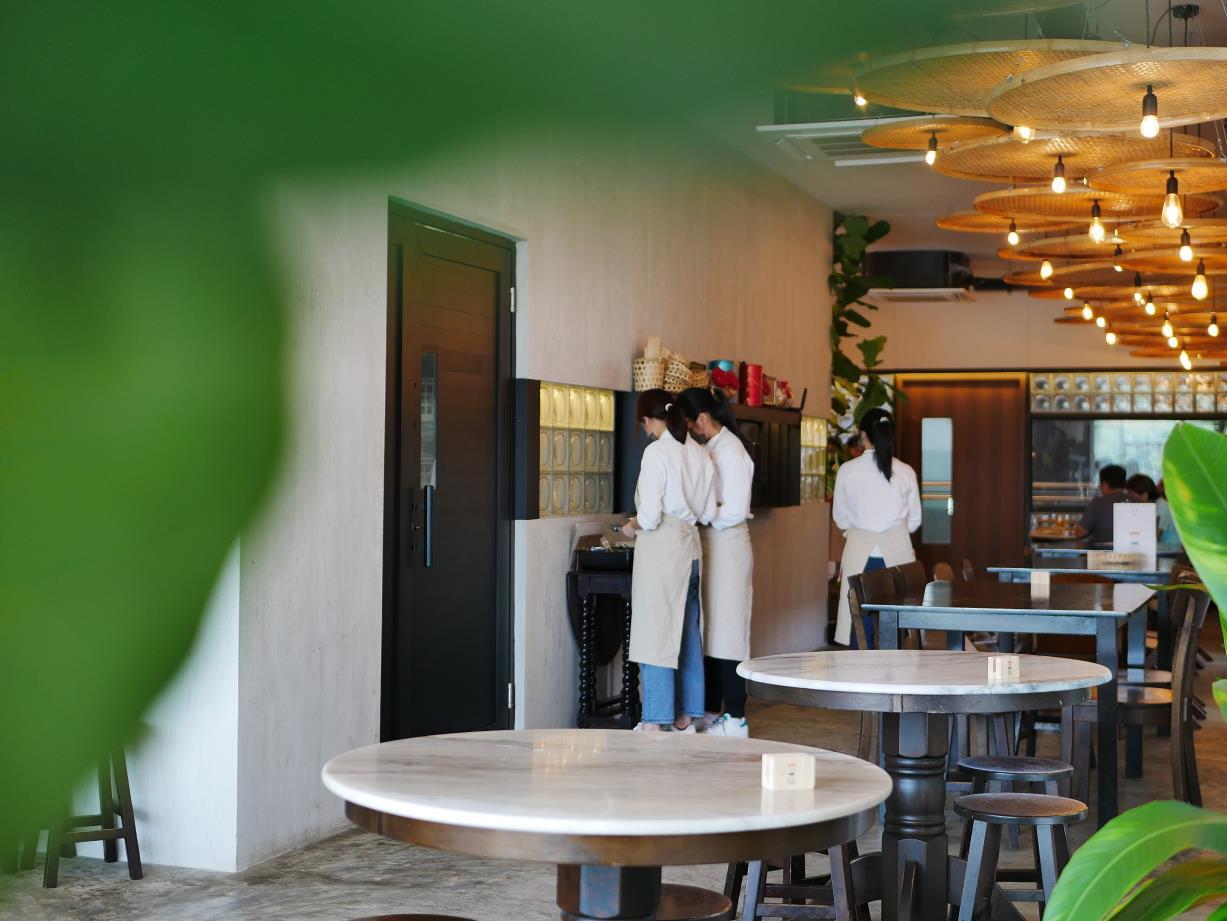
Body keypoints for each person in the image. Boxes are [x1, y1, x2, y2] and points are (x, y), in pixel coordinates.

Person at [623, 389, 716, 732]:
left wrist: (632, 525)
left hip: (663, 549)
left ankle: (655, 720)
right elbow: (708, 512)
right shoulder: (699, 452)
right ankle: (685, 718)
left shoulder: (657, 453)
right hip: (691, 549)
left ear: (647, 420)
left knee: (656, 633)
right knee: (688, 634)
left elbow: (649, 516)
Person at [676, 386, 754, 738]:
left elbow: (735, 509)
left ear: (702, 419)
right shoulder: (712, 448)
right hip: (711, 543)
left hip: (729, 545)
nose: (689, 431)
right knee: (710, 631)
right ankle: (710, 710)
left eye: (690, 423)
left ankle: (736, 716)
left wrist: (702, 513)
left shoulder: (731, 451)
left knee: (729, 632)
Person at [831, 408, 922, 648]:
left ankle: (861, 672)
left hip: (859, 555)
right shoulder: (906, 472)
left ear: (863, 435)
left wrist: (861, 530)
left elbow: (840, 518)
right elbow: (914, 521)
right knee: (897, 628)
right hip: (898, 557)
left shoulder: (847, 471)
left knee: (860, 628)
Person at [1074, 464, 1128, 543]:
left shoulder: (1098, 502)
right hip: (1131, 550)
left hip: (1101, 550)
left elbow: (1080, 532)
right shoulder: (1137, 501)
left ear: (1104, 484)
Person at [1127, 473, 1179, 547]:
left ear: (1144, 495)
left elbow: (1154, 537)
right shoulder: (1150, 506)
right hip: (1162, 548)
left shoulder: (1161, 506)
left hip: (1171, 549)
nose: (1129, 498)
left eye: (1131, 495)